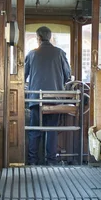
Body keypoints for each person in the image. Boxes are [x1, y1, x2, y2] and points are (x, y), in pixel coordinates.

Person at [25, 26, 71, 165]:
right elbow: (67, 75)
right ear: (50, 37)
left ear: (38, 38)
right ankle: (51, 160)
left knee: (34, 130)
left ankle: (33, 161)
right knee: (52, 130)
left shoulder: (32, 54)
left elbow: (23, 76)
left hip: (35, 99)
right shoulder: (60, 53)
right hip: (55, 100)